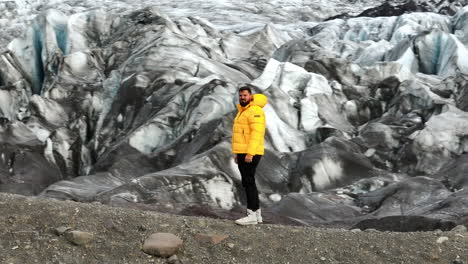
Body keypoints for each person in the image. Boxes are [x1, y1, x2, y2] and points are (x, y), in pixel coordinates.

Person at [232, 84, 267, 225]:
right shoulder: (243, 110)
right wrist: (237, 153)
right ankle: (257, 214)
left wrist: (250, 153)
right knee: (249, 181)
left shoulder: (254, 110)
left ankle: (251, 214)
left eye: (245, 95)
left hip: (250, 152)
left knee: (248, 182)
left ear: (250, 96)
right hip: (243, 151)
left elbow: (256, 133)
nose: (242, 97)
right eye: (240, 95)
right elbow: (241, 134)